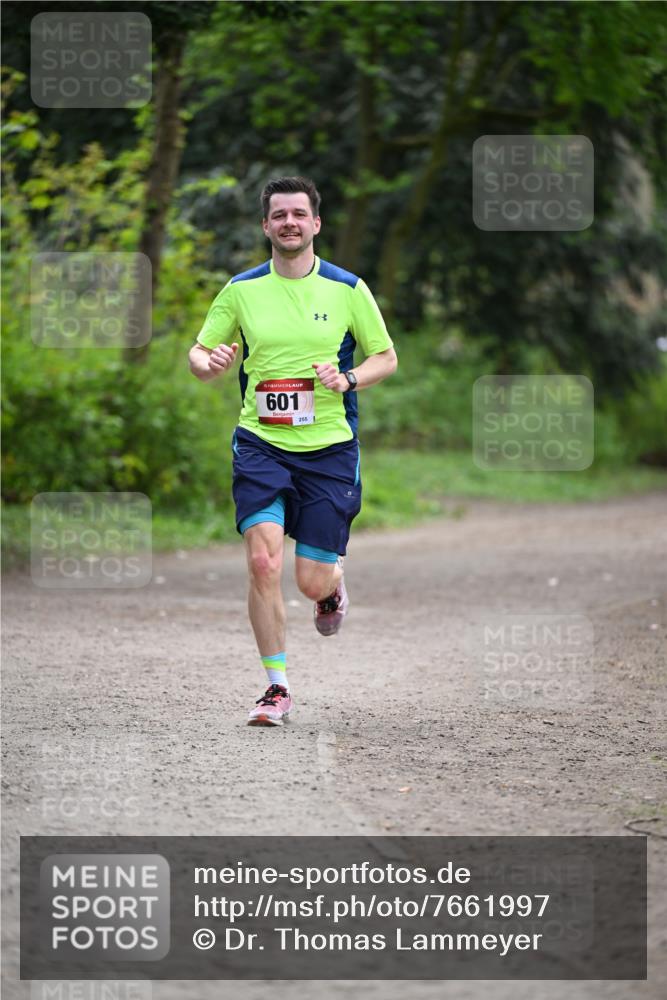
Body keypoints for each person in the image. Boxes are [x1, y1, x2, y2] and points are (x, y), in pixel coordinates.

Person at [189, 176, 397, 727]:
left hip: (329, 449)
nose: (289, 222)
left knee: (309, 581)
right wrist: (205, 363)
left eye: (299, 214)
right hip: (260, 442)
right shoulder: (241, 290)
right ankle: (276, 687)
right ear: (265, 226)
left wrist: (348, 379)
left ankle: (332, 588)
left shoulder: (348, 288)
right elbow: (200, 349)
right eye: (279, 214)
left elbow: (386, 357)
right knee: (262, 560)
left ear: (315, 224)